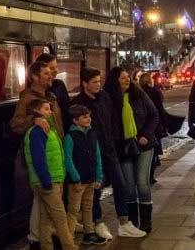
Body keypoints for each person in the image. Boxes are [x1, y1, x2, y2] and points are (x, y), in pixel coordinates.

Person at [11, 61, 64, 249]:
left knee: (45, 201)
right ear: (34, 76)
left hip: (55, 154)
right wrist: (34, 119)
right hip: (40, 155)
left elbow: (58, 127)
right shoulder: (27, 98)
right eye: (46, 73)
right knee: (41, 199)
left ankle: (43, 237)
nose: (51, 76)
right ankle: (37, 238)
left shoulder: (51, 97)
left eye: (51, 73)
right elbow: (16, 124)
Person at [70, 68, 127, 239]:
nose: (98, 84)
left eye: (99, 81)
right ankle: (98, 222)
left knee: (120, 183)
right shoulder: (79, 103)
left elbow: (112, 118)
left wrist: (114, 139)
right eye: (94, 82)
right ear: (85, 84)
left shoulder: (104, 97)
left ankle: (124, 221)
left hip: (109, 149)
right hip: (93, 152)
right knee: (95, 190)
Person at [104, 67, 158, 233]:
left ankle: (146, 221)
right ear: (115, 81)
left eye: (128, 77)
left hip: (143, 145)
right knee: (128, 185)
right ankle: (133, 222)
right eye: (122, 78)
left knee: (142, 183)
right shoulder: (109, 99)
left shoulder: (138, 94)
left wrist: (146, 135)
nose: (127, 80)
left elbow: (153, 114)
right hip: (124, 148)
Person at [24, 98, 78, 250]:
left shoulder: (44, 129)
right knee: (60, 218)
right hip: (49, 181)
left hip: (48, 179)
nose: (51, 112)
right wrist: (47, 179)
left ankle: (46, 246)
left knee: (45, 219)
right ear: (37, 112)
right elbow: (39, 158)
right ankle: (69, 246)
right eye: (46, 109)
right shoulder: (38, 131)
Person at [63, 104, 108, 245]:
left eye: (89, 116)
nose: (88, 119)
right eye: (84, 117)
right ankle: (68, 240)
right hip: (77, 181)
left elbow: (97, 155)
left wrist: (98, 176)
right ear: (75, 120)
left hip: (90, 179)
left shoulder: (92, 133)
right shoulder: (70, 136)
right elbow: (68, 158)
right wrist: (76, 177)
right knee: (74, 211)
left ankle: (89, 233)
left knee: (88, 207)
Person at [138, 73, 167, 185]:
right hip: (154, 126)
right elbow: (159, 110)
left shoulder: (138, 92)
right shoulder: (155, 92)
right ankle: (150, 176)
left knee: (143, 151)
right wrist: (164, 124)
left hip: (142, 126)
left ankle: (143, 175)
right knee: (153, 151)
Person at [36, 53, 70, 122]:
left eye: (56, 67)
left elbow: (67, 108)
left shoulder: (59, 84)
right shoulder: (34, 91)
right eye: (51, 68)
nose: (56, 71)